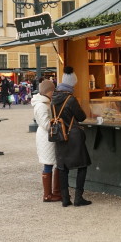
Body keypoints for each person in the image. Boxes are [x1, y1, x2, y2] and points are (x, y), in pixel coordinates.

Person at [51, 67, 92, 207]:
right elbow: (81, 117)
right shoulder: (70, 99)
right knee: (83, 165)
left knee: (63, 167)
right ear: (72, 83)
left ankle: (65, 198)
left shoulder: (53, 98)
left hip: (59, 135)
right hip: (73, 135)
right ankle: (78, 198)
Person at [31, 79, 61, 202]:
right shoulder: (42, 105)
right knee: (48, 163)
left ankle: (53, 192)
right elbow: (46, 124)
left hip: (48, 136)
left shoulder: (44, 103)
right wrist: (56, 122)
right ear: (48, 91)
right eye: (52, 91)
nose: (53, 93)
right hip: (46, 137)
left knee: (51, 163)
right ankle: (48, 194)